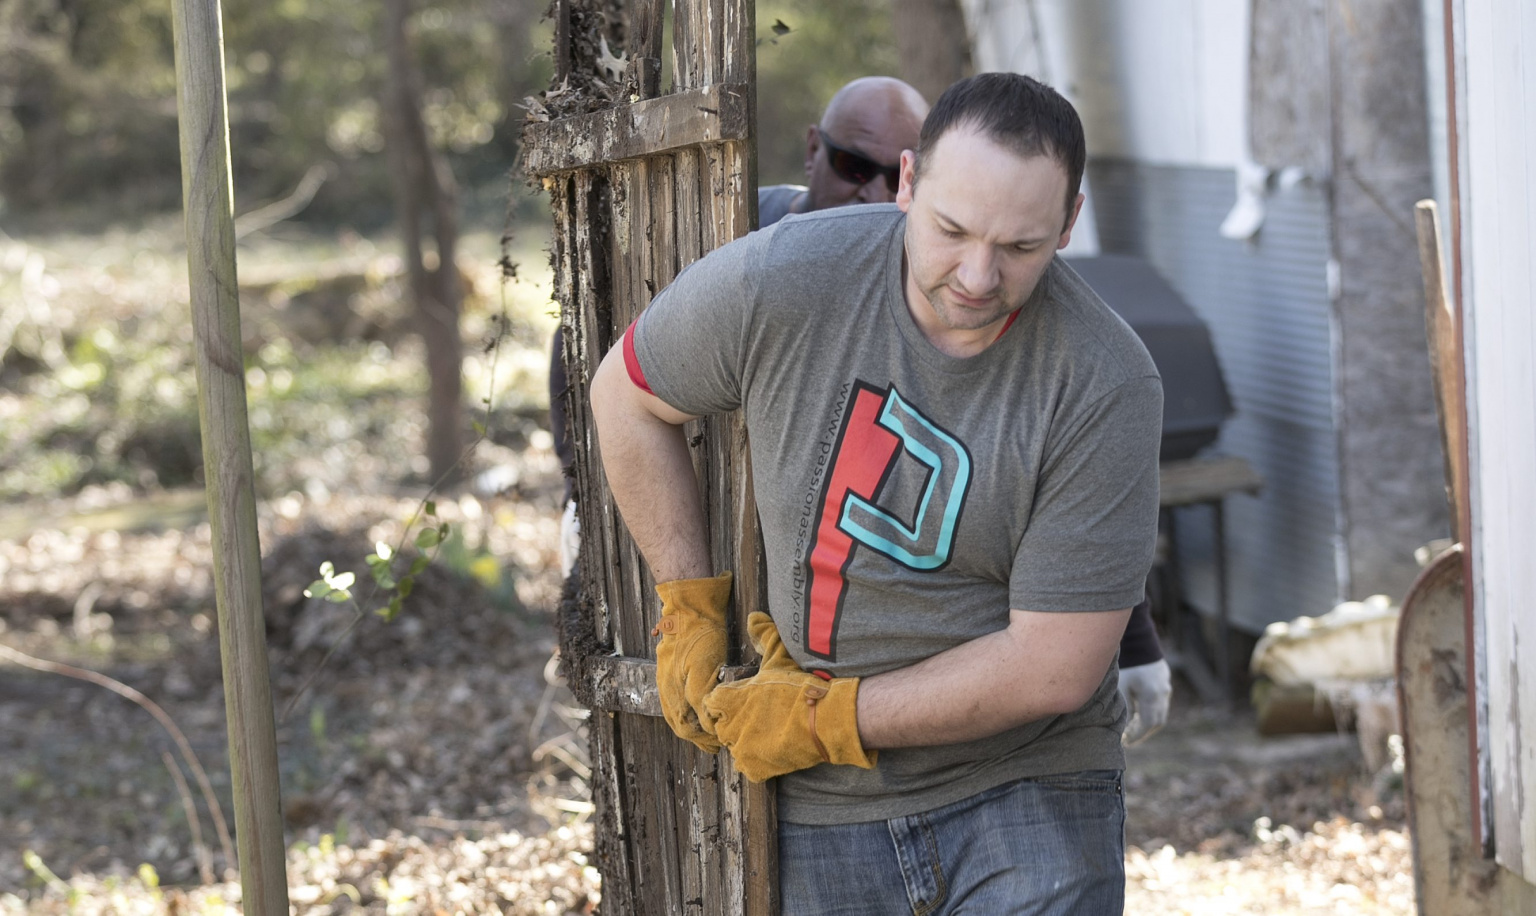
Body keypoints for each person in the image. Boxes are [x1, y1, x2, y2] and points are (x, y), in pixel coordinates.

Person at [591, 73, 1162, 913]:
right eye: (952, 229)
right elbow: (625, 393)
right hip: (822, 807)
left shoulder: (1106, 381)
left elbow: (1051, 670)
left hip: (1029, 785)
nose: (976, 275)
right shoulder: (786, 277)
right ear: (906, 181)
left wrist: (825, 717)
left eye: (1020, 247)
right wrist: (687, 601)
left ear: (1069, 223)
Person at [762, 74, 1170, 743]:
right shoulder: (757, 245)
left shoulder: (1052, 340)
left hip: (946, 696)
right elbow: (623, 354)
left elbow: (1068, 502)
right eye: (848, 165)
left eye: (1015, 244)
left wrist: (1136, 635)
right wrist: (583, 485)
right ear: (814, 152)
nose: (867, 193)